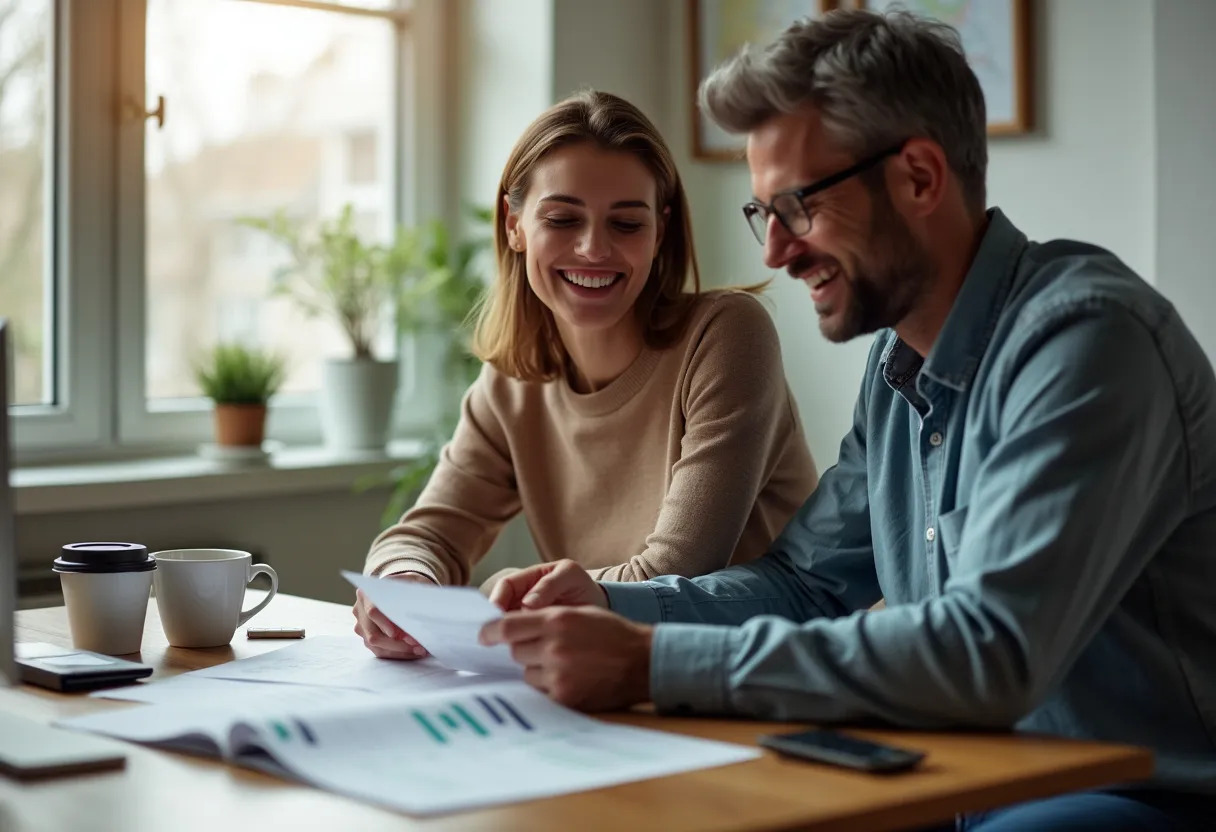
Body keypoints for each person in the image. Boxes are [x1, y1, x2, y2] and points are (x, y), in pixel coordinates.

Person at [479, 11, 1216, 831]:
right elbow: (806, 583)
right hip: (961, 775)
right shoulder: (899, 361)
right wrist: (611, 609)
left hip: (1144, 794)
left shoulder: (1087, 344)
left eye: (797, 206)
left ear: (920, 178)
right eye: (764, 214)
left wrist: (652, 661)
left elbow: (988, 653)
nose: (775, 253)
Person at [354, 90, 818, 662]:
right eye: (562, 219)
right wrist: (405, 583)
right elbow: (424, 535)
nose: (594, 248)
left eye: (626, 222)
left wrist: (504, 613)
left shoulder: (726, 335)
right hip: (610, 683)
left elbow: (672, 575)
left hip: (761, 672)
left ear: (660, 232)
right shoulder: (509, 386)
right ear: (515, 224)